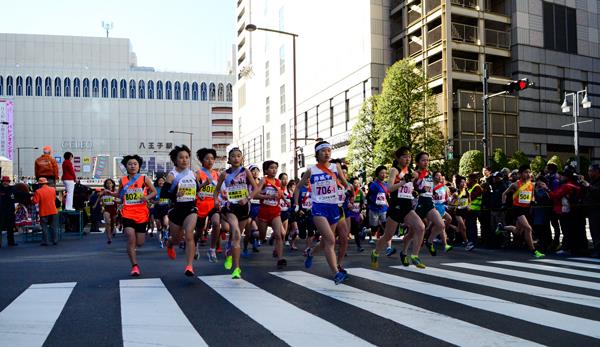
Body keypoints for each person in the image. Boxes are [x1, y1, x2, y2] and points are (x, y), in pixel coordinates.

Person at [295, 141, 350, 284]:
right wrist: (296, 204)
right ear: (317, 154)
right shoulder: (311, 170)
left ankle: (310, 253)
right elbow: (297, 187)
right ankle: (336, 273)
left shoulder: (335, 167)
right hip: (319, 208)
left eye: (328, 151)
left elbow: (344, 183)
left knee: (326, 241)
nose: (326, 153)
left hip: (333, 207)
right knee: (331, 240)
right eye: (323, 151)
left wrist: (348, 188)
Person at [371, 147, 426, 269]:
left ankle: (415, 256)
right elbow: (389, 189)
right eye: (405, 156)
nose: (408, 159)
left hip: (407, 205)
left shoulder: (410, 171)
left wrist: (419, 188)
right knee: (388, 236)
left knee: (421, 227)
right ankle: (375, 253)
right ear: (398, 158)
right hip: (396, 205)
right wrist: (403, 182)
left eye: (409, 157)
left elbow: (413, 187)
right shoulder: (394, 170)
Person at [214, 147, 259, 279]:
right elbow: (216, 190)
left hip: (244, 207)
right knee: (236, 234)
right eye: (233, 156)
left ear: (242, 158)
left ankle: (229, 252)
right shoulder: (224, 174)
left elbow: (255, 188)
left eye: (239, 156)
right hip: (231, 207)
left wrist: (248, 198)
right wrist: (216, 200)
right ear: (229, 159)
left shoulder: (246, 172)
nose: (236, 158)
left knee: (235, 237)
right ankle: (237, 268)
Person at [115, 155, 157, 276]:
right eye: (130, 164)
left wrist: (147, 197)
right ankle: (134, 266)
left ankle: (133, 249)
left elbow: (154, 191)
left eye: (135, 164)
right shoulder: (122, 180)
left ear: (138, 166)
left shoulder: (144, 178)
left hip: (142, 214)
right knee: (130, 237)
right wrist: (111, 194)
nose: (132, 166)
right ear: (126, 166)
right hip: (127, 213)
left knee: (140, 242)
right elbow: (120, 195)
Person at [162, 145, 200, 277]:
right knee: (177, 239)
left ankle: (189, 266)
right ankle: (170, 243)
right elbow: (164, 194)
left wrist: (199, 193)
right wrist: (175, 195)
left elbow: (197, 189)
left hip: (190, 208)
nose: (184, 160)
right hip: (175, 210)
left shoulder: (193, 174)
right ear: (175, 160)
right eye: (181, 158)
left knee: (189, 234)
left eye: (187, 157)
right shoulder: (172, 175)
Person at [499, 164, 545, 258]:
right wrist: (503, 204)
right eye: (525, 172)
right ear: (520, 174)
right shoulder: (515, 184)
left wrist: (533, 201)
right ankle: (534, 251)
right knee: (528, 229)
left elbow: (532, 195)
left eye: (529, 172)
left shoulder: (531, 184)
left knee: (517, 231)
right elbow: (504, 194)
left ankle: (502, 228)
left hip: (526, 210)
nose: (528, 174)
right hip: (517, 209)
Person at [254, 160, 287, 269]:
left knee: (279, 235)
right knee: (262, 237)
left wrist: (285, 200)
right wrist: (266, 197)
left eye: (275, 168)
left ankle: (280, 259)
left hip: (275, 212)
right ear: (266, 170)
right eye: (271, 168)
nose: (274, 170)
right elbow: (255, 195)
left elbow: (280, 194)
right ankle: (253, 235)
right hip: (263, 213)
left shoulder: (278, 182)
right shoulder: (263, 180)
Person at [195, 148, 222, 263]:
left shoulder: (217, 174)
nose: (210, 161)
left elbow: (220, 190)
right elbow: (193, 189)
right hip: (200, 205)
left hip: (213, 204)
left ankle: (212, 249)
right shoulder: (197, 173)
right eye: (207, 158)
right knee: (199, 230)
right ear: (202, 160)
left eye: (212, 158)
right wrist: (204, 184)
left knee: (216, 224)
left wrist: (220, 199)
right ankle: (195, 244)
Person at [366, 165, 389, 248]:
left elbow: (386, 196)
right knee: (374, 229)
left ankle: (388, 246)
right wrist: (374, 202)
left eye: (385, 173)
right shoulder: (373, 185)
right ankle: (368, 232)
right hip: (374, 209)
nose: (383, 175)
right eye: (382, 173)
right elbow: (368, 197)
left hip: (383, 209)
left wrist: (386, 203)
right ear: (377, 174)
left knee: (386, 226)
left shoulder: (386, 184)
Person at [31, 177, 59, 246]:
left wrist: (32, 198)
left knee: (44, 228)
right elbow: (54, 198)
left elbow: (35, 201)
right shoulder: (53, 189)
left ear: (40, 184)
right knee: (53, 227)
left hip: (44, 212)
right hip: (53, 211)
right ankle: (55, 240)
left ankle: (45, 241)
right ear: (46, 183)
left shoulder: (38, 191)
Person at [582, 164, 600, 257]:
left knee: (596, 231)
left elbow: (597, 192)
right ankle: (596, 249)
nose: (589, 173)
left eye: (590, 171)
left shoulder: (596, 182)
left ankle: (598, 250)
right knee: (593, 230)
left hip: (597, 211)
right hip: (591, 210)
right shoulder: (592, 181)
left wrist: (588, 186)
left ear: (596, 171)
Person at [94, 179, 119, 244]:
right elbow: (99, 197)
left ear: (113, 184)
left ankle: (114, 228)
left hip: (113, 207)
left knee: (113, 222)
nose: (109, 184)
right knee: (107, 222)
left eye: (110, 183)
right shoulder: (104, 191)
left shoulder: (115, 191)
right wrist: (95, 204)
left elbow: (119, 198)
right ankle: (109, 238)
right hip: (106, 208)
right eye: (107, 183)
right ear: (105, 184)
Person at [0, 176, 18, 247]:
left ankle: (11, 242)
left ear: (9, 182)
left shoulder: (12, 189)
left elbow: (19, 194)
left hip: (10, 212)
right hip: (1, 212)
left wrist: (29, 195)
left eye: (7, 181)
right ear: (2, 182)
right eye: (4, 181)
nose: (5, 182)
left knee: (10, 228)